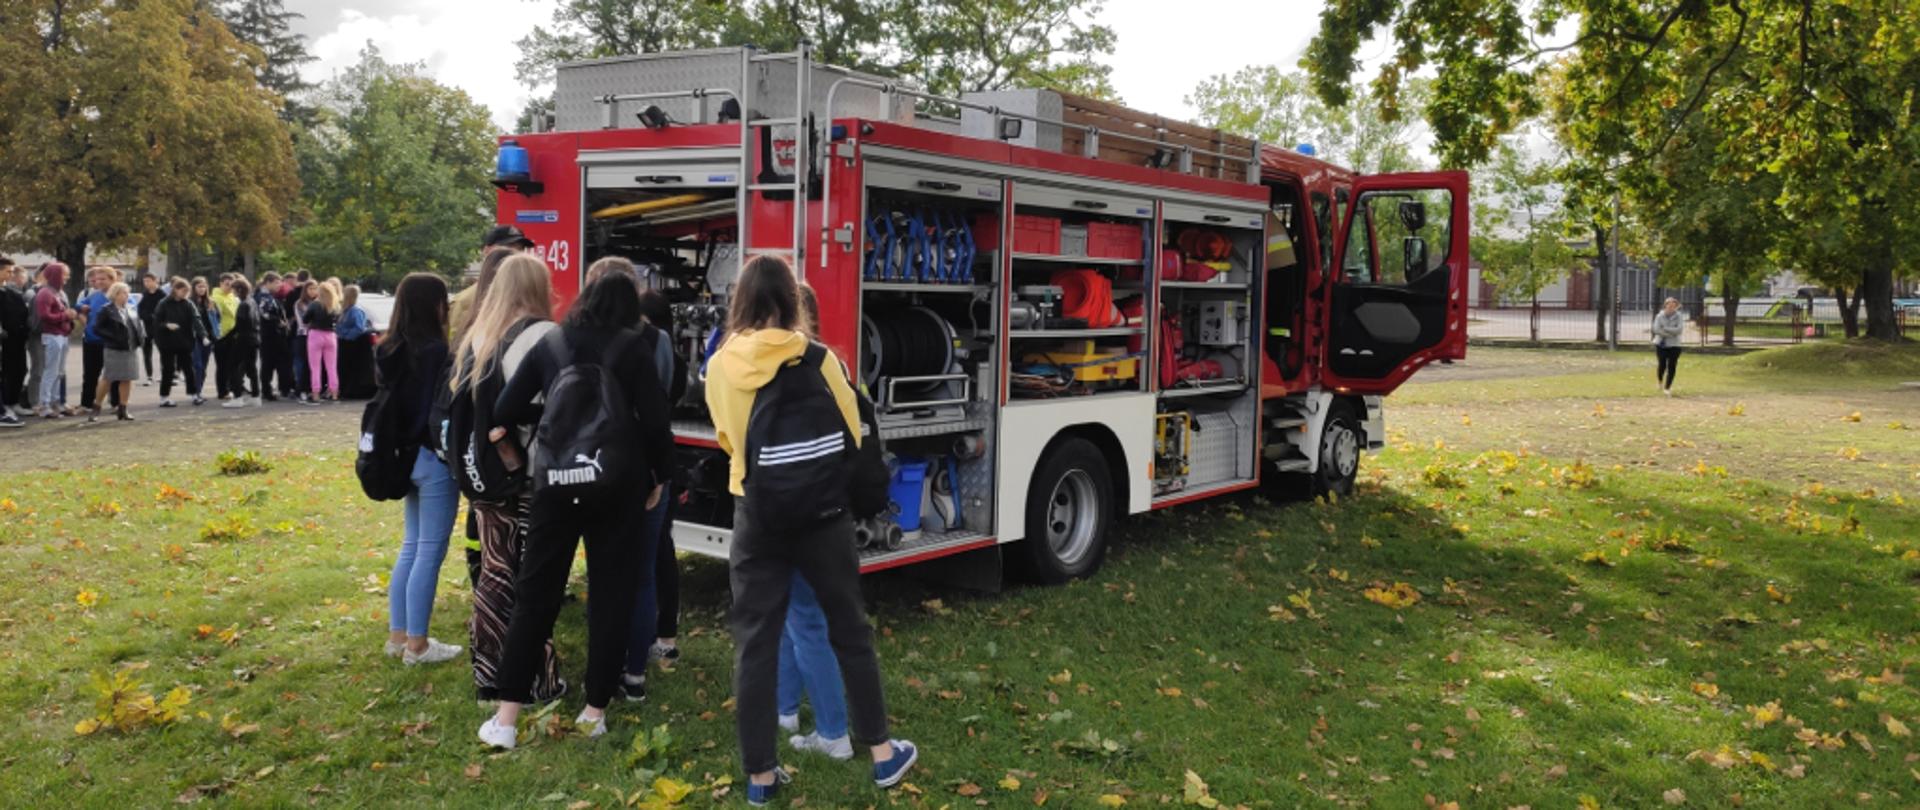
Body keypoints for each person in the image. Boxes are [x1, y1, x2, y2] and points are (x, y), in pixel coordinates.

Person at [704, 255, 916, 804]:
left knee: (756, 643)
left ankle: (760, 778)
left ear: (740, 300)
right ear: (791, 300)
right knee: (849, 630)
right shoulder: (821, 359)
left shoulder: (721, 364)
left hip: (757, 514)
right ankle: (882, 754)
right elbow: (854, 435)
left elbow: (726, 437)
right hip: (824, 517)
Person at [477, 271, 673, 750]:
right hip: (617, 485)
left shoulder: (553, 344)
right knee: (611, 596)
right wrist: (659, 477)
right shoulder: (633, 348)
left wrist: (550, 417)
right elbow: (657, 424)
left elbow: (504, 408)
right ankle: (594, 711)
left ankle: (506, 718)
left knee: (536, 594)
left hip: (557, 484)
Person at [451, 254, 566, 705]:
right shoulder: (544, 335)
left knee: (495, 573)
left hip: (485, 470)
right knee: (531, 582)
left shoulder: (476, 336)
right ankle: (536, 679)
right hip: (530, 473)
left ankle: (487, 675)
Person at [774, 282, 853, 759]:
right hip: (826, 508)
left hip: (786, 510)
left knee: (802, 617)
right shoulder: (832, 364)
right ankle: (785, 709)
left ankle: (833, 732)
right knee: (796, 613)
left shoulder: (772, 367)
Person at [377, 272, 464, 666]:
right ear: (435, 305)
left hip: (401, 457)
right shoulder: (435, 352)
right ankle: (418, 645)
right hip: (432, 456)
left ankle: (399, 635)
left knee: (411, 545)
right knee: (429, 550)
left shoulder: (389, 347)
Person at [636, 288, 686, 667]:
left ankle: (657, 635)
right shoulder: (670, 354)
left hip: (649, 462)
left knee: (653, 553)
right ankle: (663, 634)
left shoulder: (654, 348)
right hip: (662, 460)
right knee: (659, 550)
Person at [89, 282, 143, 423]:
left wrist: (140, 338)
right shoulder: (106, 310)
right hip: (114, 348)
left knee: (128, 378)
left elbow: (137, 325)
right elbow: (96, 328)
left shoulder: (130, 309)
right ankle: (97, 406)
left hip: (130, 348)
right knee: (108, 378)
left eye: (127, 293)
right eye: (123, 293)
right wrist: (112, 337)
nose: (127, 296)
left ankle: (123, 409)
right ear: (115, 294)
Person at [33, 263, 79, 419]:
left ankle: (55, 402)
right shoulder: (45, 293)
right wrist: (66, 315)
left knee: (58, 372)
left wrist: (69, 315)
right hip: (52, 335)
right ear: (56, 275)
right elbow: (44, 316)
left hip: (62, 335)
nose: (67, 277)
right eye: (64, 274)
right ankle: (44, 405)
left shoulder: (58, 292)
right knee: (51, 371)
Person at [153, 279, 208, 408]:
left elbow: (196, 320)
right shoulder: (164, 303)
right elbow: (156, 322)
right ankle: (164, 397)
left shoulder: (188, 304)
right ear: (175, 290)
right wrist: (166, 325)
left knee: (189, 369)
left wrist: (203, 335)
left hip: (184, 341)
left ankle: (194, 394)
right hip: (167, 342)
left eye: (187, 292)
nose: (185, 294)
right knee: (168, 369)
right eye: (183, 291)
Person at [77, 266, 119, 413]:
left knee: (114, 374)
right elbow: (79, 305)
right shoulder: (94, 295)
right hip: (92, 339)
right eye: (97, 279)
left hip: (111, 341)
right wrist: (82, 308)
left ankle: (116, 403)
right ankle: (86, 404)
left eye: (103, 279)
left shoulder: (119, 294)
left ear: (112, 280)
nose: (99, 282)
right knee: (90, 374)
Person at [219, 278, 261, 408]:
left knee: (233, 367)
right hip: (254, 338)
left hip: (243, 340)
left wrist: (226, 338)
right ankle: (255, 396)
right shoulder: (252, 301)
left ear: (238, 290)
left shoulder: (243, 305)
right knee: (251, 368)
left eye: (233, 290)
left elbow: (239, 326)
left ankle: (237, 397)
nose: (232, 292)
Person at [335, 284, 377, 400]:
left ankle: (354, 391)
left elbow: (359, 328)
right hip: (347, 343)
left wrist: (347, 336)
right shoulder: (346, 310)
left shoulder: (355, 311)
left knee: (353, 368)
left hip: (354, 344)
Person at [254, 272, 291, 402]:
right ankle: (267, 391)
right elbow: (264, 314)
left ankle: (281, 388)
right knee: (268, 364)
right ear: (268, 282)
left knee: (279, 362)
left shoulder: (270, 296)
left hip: (275, 335)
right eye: (276, 283)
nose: (279, 285)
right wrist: (279, 321)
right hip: (268, 335)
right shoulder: (262, 297)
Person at [304, 281, 342, 403]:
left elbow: (305, 319)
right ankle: (334, 393)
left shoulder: (315, 304)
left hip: (316, 334)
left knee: (315, 367)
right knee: (331, 367)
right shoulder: (336, 305)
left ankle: (315, 394)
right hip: (331, 335)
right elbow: (338, 320)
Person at [0, 259, 27, 426]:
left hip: (14, 339)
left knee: (17, 370)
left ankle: (9, 404)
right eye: (8, 271)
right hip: (4, 339)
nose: (11, 275)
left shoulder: (11, 292)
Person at [190, 277, 219, 406]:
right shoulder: (190, 302)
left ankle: (199, 391)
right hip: (194, 338)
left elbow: (217, 319)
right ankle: (195, 393)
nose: (202, 289)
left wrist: (213, 311)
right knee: (198, 365)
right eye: (199, 286)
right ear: (193, 288)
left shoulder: (210, 302)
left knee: (204, 366)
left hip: (208, 338)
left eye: (204, 286)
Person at [1653, 297, 1685, 396]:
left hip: (1675, 345)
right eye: (1669, 305)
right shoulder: (1659, 316)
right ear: (1665, 305)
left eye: (1673, 306)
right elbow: (1656, 330)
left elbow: (1679, 330)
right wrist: (1670, 333)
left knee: (1672, 366)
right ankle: (1660, 381)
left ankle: (1667, 387)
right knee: (1662, 364)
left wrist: (1665, 328)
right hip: (1661, 344)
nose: (1671, 307)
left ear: (1676, 307)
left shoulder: (1679, 316)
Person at [136, 273, 162, 386]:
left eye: (148, 281)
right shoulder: (145, 295)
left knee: (163, 352)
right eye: (145, 281)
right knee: (146, 352)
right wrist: (145, 316)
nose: (146, 283)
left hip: (160, 327)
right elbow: (140, 309)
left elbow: (164, 310)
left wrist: (154, 316)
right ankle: (149, 376)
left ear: (155, 281)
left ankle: (165, 375)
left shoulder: (162, 295)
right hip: (146, 327)